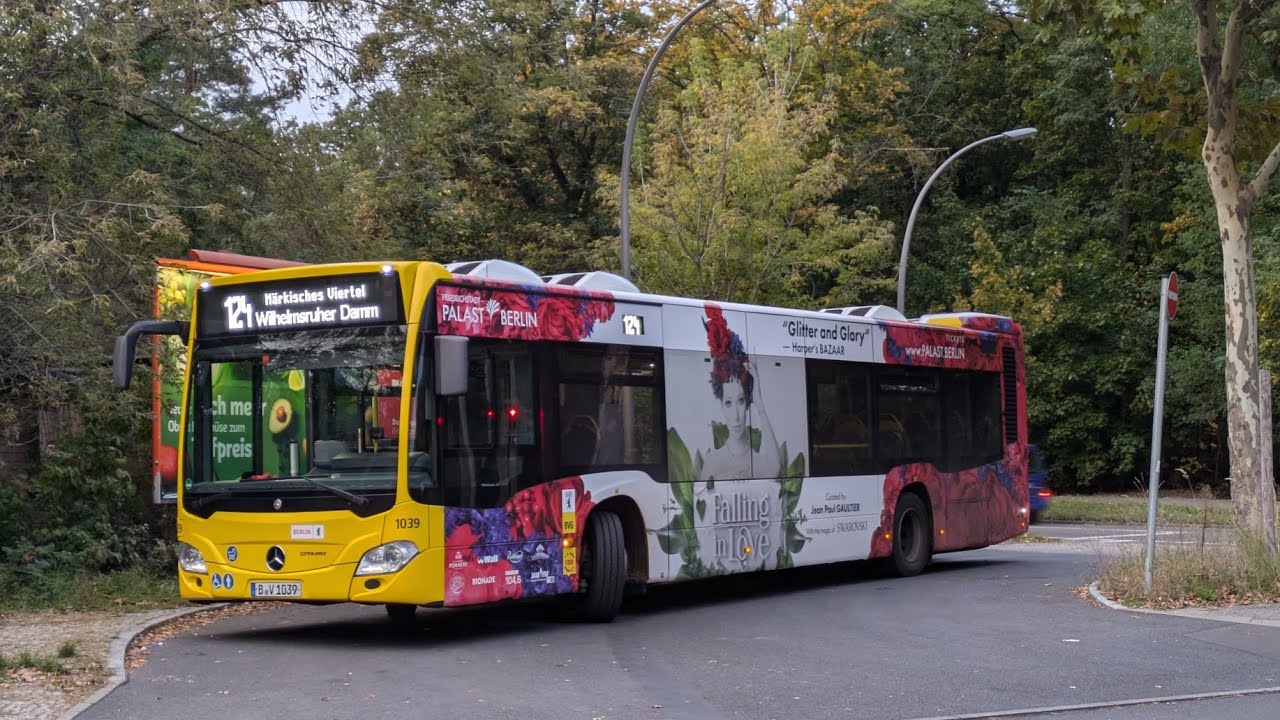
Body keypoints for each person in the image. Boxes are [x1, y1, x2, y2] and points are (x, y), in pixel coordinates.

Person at [699, 305, 781, 481]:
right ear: (720, 404)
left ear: (748, 403)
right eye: (728, 402)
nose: (736, 416)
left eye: (741, 400)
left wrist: (759, 402)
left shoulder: (759, 461)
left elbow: (775, 468)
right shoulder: (713, 461)